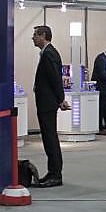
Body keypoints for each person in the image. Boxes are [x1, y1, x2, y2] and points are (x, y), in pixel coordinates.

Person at [32, 26, 69, 188]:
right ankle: (52, 172)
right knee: (48, 139)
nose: (33, 38)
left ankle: (55, 175)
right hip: (45, 102)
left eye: (35, 35)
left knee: (50, 139)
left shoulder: (49, 54)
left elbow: (55, 78)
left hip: (47, 103)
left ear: (43, 36)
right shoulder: (46, 53)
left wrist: (61, 99)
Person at [92, 46, 106, 133]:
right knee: (102, 107)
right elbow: (102, 75)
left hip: (104, 87)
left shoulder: (104, 59)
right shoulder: (101, 59)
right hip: (101, 87)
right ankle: (99, 126)